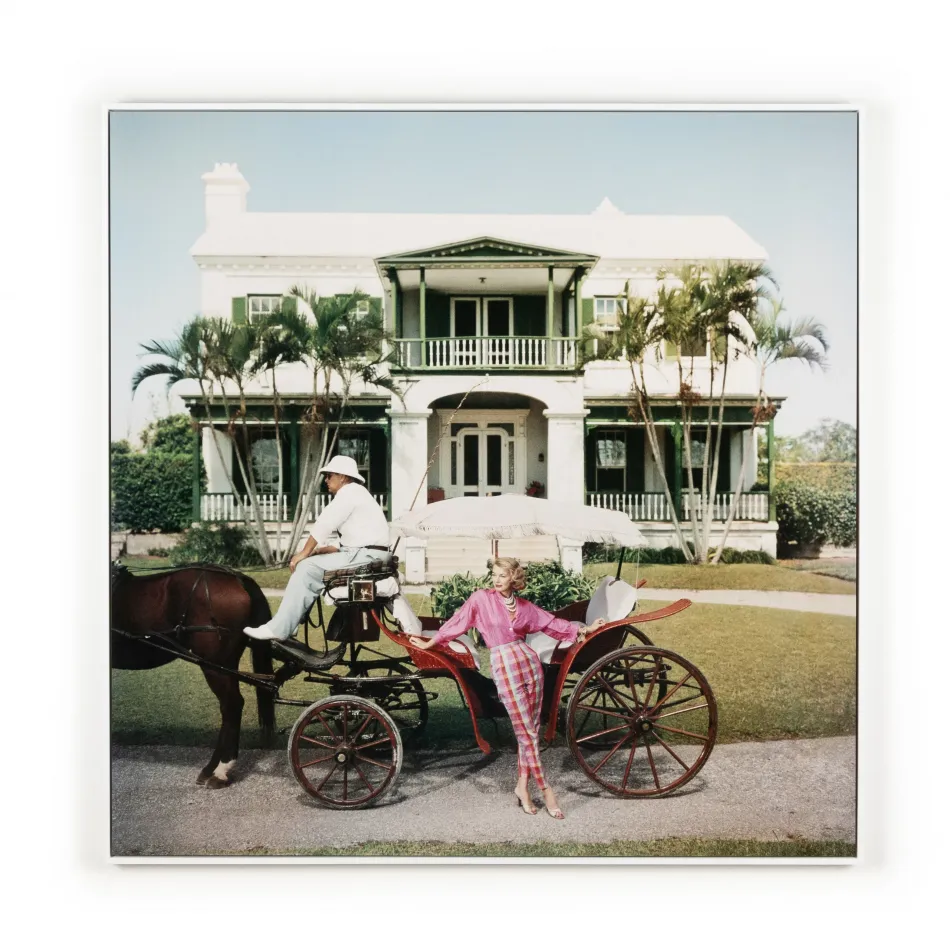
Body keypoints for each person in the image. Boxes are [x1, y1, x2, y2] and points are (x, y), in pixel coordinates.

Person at [410, 557, 606, 819]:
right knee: (524, 731)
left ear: (513, 578)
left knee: (531, 730)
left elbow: (551, 624)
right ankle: (547, 789)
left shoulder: (523, 606)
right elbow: (457, 622)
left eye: (502, 575)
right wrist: (430, 643)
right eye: (494, 574)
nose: (497, 579)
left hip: (529, 664)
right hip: (504, 667)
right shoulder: (481, 599)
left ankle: (522, 788)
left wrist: (586, 630)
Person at [244, 455, 391, 641]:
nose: (326, 480)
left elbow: (325, 523)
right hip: (368, 553)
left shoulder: (349, 492)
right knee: (310, 563)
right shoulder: (358, 493)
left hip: (367, 555)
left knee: (307, 567)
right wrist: (323, 550)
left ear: (343, 477)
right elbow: (357, 535)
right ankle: (292, 623)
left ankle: (280, 629)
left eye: (329, 475)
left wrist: (303, 553)